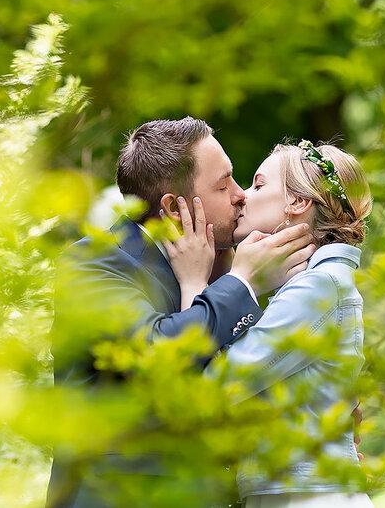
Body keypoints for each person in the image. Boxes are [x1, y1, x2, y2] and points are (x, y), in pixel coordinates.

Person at [48, 118, 316, 508]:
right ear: (175, 208)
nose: (241, 195)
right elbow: (154, 354)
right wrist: (243, 282)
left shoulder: (217, 269)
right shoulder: (93, 264)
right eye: (224, 185)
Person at [167, 139, 374, 508]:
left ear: (298, 202)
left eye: (259, 184)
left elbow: (212, 392)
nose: (243, 196)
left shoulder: (320, 287)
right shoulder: (308, 286)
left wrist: (194, 284)